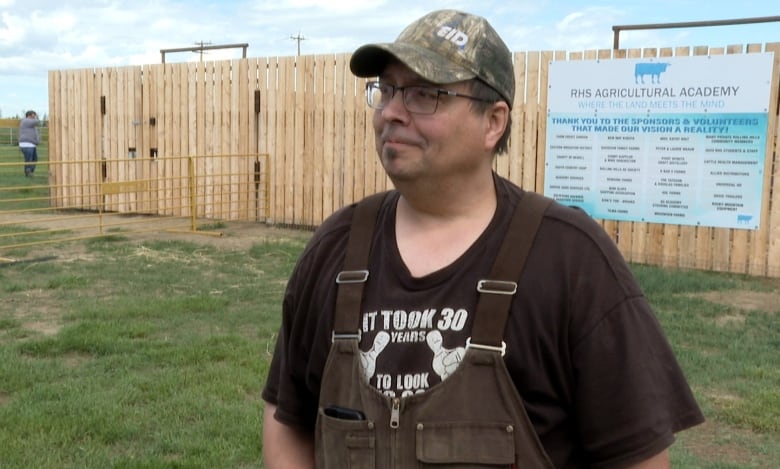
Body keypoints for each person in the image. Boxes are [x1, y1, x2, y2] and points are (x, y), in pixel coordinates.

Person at [262, 9, 704, 468]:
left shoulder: (571, 261)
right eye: (387, 90)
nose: (391, 112)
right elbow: (287, 417)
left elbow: (636, 457)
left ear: (493, 122)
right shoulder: (334, 249)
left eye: (423, 94)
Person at [19, 110, 40, 177]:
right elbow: (37, 121)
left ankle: (30, 172)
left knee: (34, 159)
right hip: (26, 144)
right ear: (29, 115)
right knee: (29, 159)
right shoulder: (25, 121)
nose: (34, 117)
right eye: (33, 115)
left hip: (31, 144)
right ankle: (28, 173)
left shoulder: (30, 124)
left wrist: (37, 141)